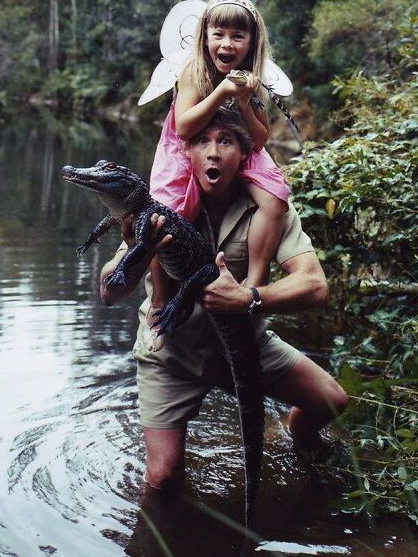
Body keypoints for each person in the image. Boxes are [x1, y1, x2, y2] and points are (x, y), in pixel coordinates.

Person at [100, 107, 348, 493]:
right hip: (172, 353)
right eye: (202, 141)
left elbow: (315, 285)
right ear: (187, 153)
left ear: (243, 154)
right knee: (162, 481)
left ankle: (288, 434)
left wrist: (249, 296)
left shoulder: (270, 205)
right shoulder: (163, 205)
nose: (213, 152)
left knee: (331, 401)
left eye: (226, 141)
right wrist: (137, 247)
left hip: (245, 341)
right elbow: (108, 293)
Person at [147, 0, 290, 347]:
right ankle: (161, 295)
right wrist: (222, 93)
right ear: (205, 37)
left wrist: (243, 100)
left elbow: (259, 139)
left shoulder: (253, 78)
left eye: (237, 36)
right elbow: (185, 126)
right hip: (189, 146)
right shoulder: (193, 71)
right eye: (219, 35)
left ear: (251, 42)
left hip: (238, 146)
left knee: (274, 198)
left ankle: (253, 284)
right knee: (164, 211)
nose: (227, 44)